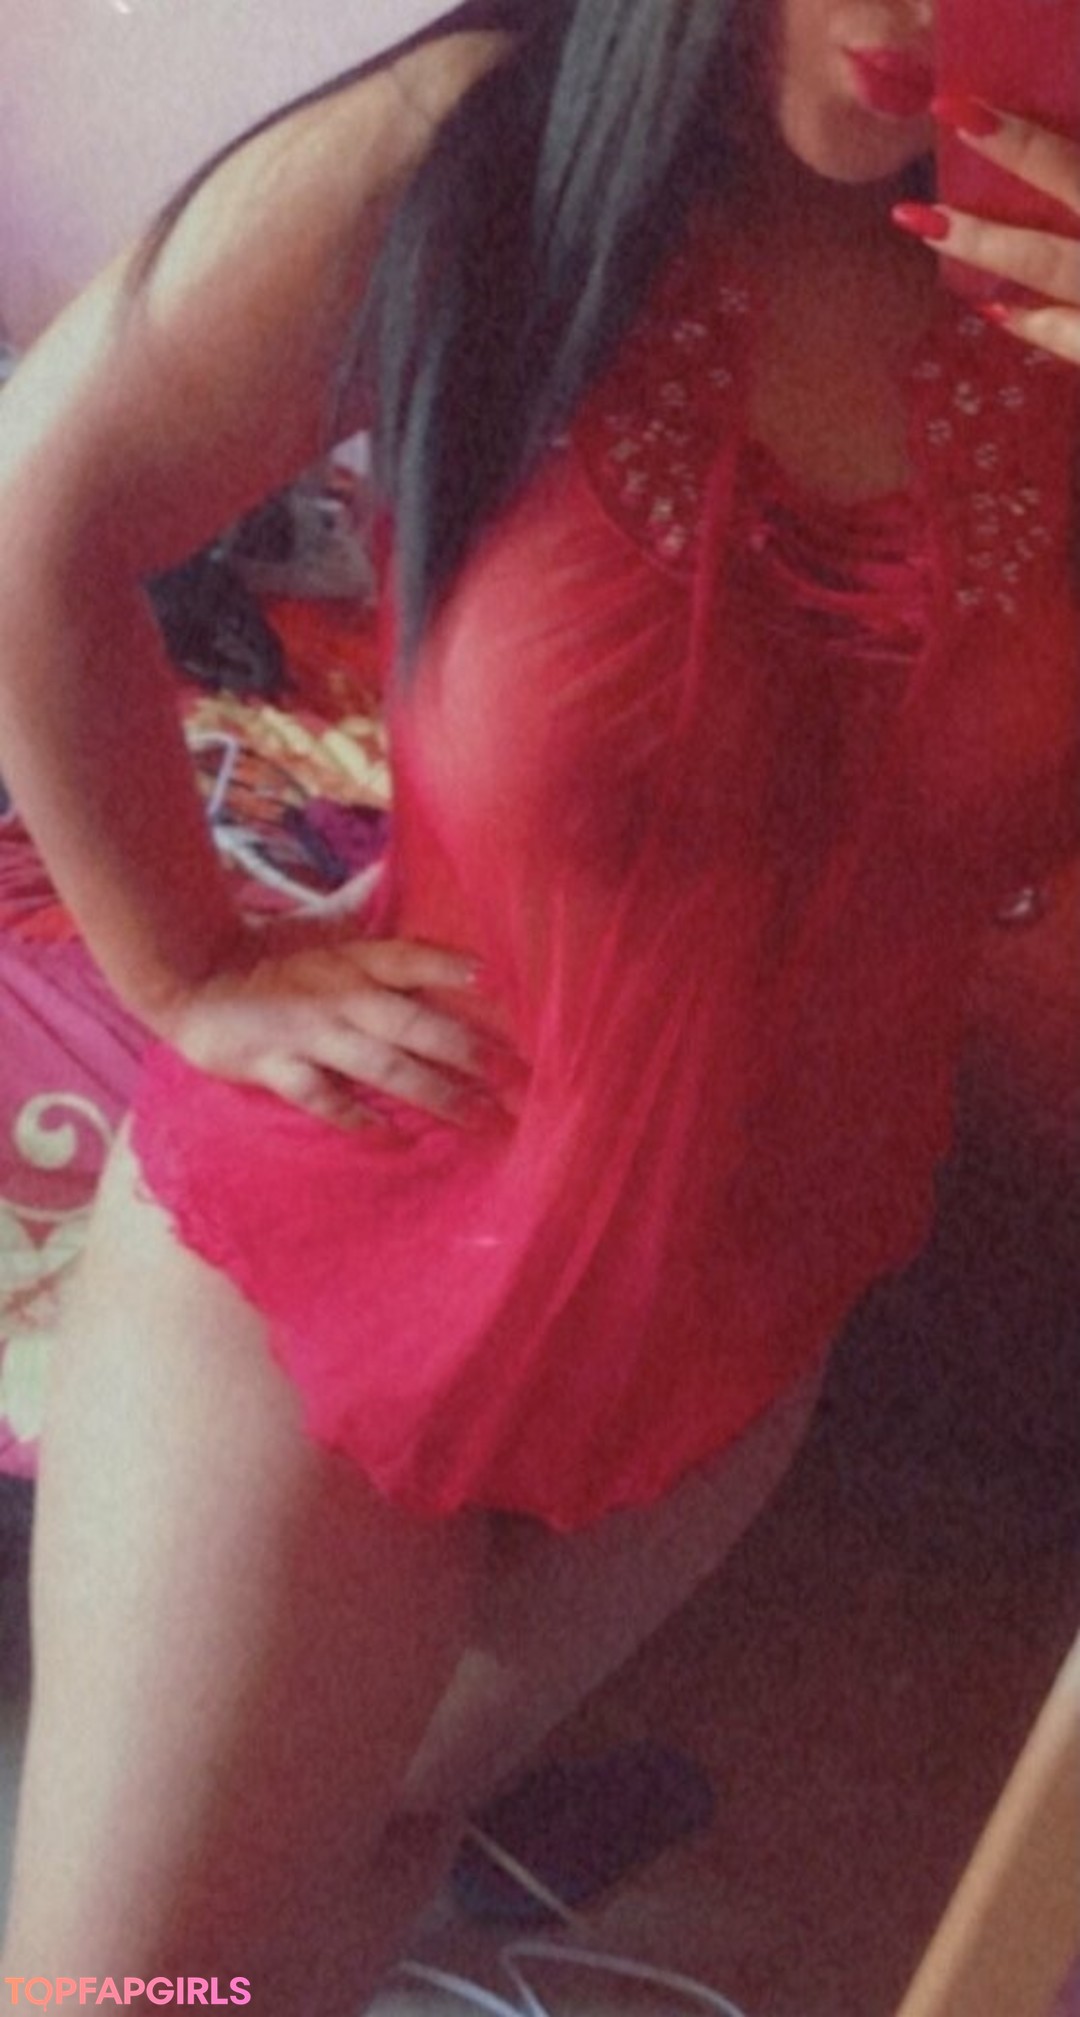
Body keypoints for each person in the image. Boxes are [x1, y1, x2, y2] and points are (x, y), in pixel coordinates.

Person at [0, 0, 1077, 2007]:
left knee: (378, 1843)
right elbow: (38, 507)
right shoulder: (471, 155)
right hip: (351, 1272)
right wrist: (189, 968)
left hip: (742, 1329)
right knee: (134, 1992)